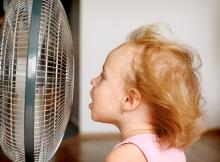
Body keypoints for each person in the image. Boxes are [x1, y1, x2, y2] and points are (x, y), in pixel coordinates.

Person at [89, 23, 205, 162]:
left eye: (103, 76)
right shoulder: (174, 150)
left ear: (129, 100)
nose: (93, 81)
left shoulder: (123, 157)